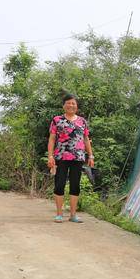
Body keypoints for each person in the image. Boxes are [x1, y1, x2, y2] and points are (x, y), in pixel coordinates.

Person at [47, 94, 94, 223]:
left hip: (78, 157)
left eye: (73, 103)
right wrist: (50, 156)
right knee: (59, 185)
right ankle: (59, 214)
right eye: (68, 103)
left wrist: (90, 155)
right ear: (64, 105)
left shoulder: (82, 121)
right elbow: (51, 139)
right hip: (60, 157)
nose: (71, 105)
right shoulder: (57, 120)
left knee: (75, 186)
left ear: (76, 106)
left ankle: (73, 215)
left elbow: (86, 139)